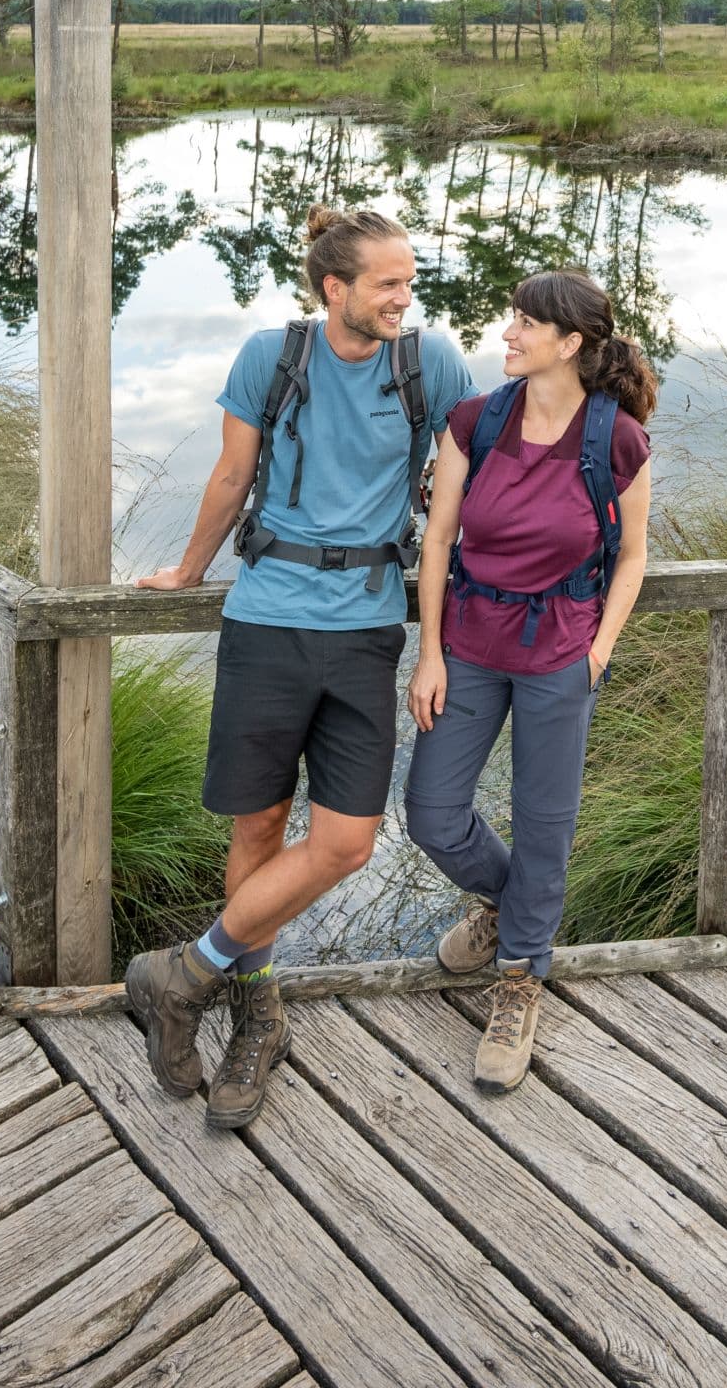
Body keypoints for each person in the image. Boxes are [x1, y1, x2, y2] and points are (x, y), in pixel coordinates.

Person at [125, 205, 475, 1129]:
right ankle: (257, 1017)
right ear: (335, 289)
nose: (406, 297)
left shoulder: (429, 364)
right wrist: (191, 571)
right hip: (265, 617)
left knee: (346, 842)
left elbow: (460, 492)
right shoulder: (269, 357)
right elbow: (230, 476)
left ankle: (184, 973)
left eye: (409, 279)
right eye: (388, 283)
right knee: (258, 830)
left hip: (365, 631)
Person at [405, 269, 655, 1093]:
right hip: (471, 646)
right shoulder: (476, 421)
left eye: (524, 324)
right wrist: (431, 653)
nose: (507, 334)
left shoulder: (616, 439)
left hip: (561, 656)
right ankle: (515, 913)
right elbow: (438, 540)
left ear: (571, 344)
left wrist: (600, 649)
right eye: (510, 319)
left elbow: (633, 556)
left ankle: (520, 976)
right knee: (433, 813)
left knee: (547, 822)